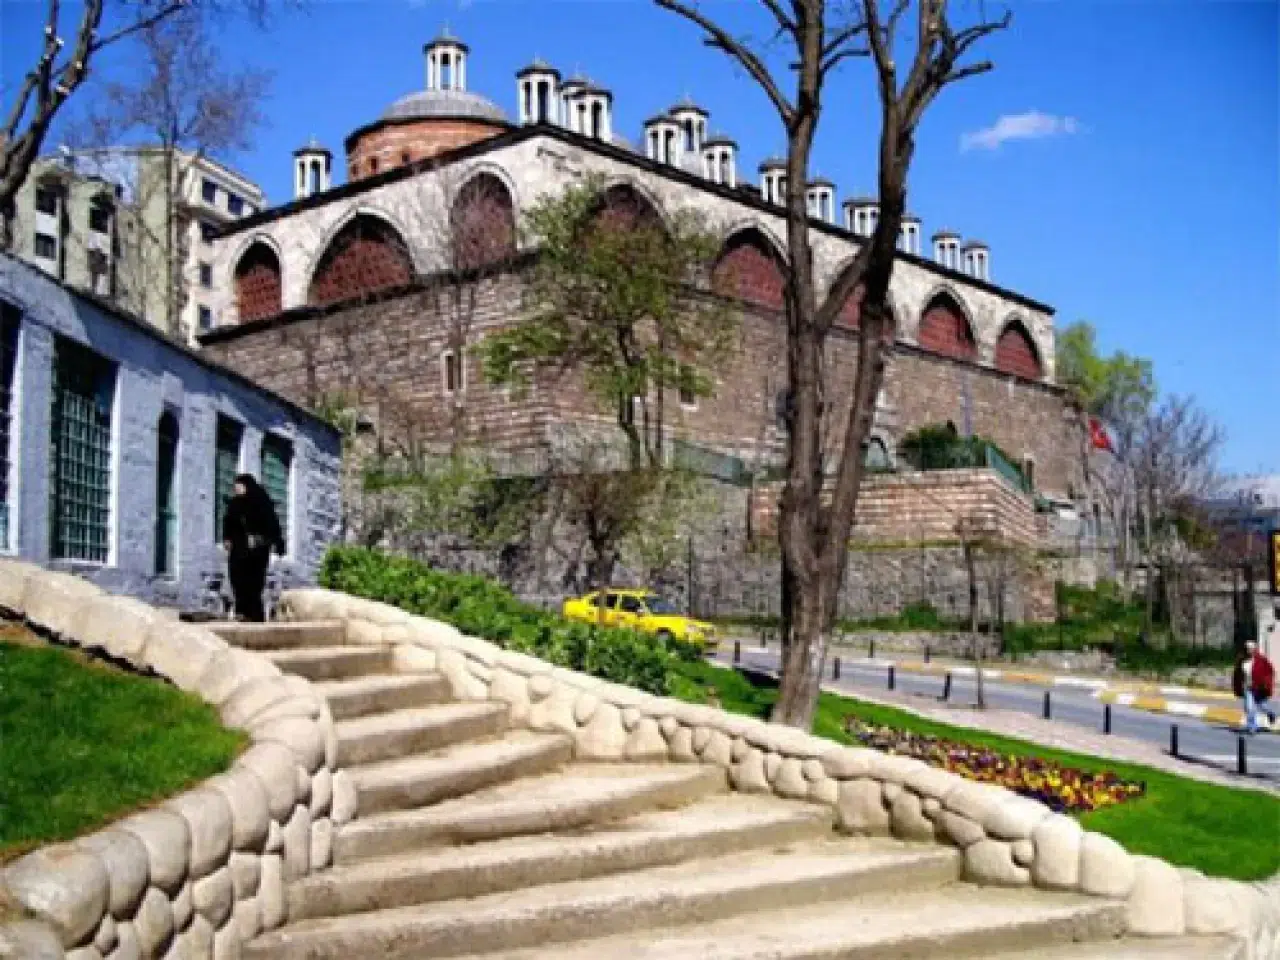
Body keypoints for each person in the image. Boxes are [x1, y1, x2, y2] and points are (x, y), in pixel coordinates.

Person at [222, 474, 284, 623]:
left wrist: (277, 542)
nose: (236, 489)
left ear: (247, 486)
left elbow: (272, 523)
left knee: (255, 581)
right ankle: (241, 611)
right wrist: (227, 538)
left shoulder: (262, 502)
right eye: (235, 486)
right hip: (239, 549)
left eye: (239, 485)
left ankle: (255, 613)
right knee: (237, 578)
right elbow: (228, 522)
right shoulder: (235, 504)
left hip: (258, 550)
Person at [1233, 640, 1276, 735]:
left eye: (1251, 648)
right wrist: (1237, 686)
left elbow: (1270, 671)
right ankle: (1252, 727)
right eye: (1247, 648)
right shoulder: (1242, 660)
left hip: (1259, 688)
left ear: (1254, 649)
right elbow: (1237, 674)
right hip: (1247, 688)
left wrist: (1266, 682)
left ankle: (1271, 715)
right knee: (1249, 707)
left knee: (1263, 706)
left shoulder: (1261, 659)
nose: (1249, 650)